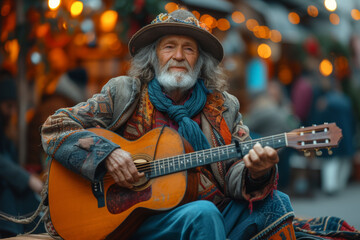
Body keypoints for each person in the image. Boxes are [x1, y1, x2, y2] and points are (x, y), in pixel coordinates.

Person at [41, 10, 294, 240]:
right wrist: (107, 154)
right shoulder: (123, 93)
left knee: (276, 203)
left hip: (210, 211)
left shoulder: (224, 107)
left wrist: (256, 173)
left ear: (200, 61)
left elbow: (233, 174)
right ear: (153, 56)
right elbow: (55, 127)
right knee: (203, 215)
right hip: (135, 221)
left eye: (189, 49)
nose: (179, 56)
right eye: (169, 47)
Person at [0, 70, 44, 238]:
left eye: (13, 107)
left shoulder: (6, 132)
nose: (11, 112)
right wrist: (27, 179)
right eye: (7, 106)